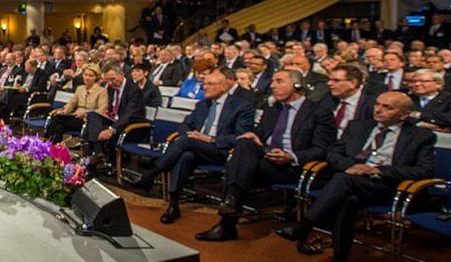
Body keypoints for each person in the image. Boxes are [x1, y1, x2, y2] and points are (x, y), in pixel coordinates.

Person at [275, 92, 436, 262]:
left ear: (404, 114)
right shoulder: (359, 126)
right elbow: (333, 152)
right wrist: (352, 167)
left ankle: (305, 226)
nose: (378, 109)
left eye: (387, 107)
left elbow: (424, 171)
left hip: (388, 187)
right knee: (347, 200)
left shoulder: (421, 136)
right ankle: (339, 260)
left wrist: (377, 170)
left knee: (343, 182)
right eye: (377, 104)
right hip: (351, 180)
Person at [196, 70, 335, 241]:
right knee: (244, 142)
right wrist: (253, 134)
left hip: (293, 166)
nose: (272, 86)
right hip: (267, 156)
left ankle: (228, 218)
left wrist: (291, 156)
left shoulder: (318, 111)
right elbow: (260, 132)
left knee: (241, 166)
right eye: (272, 81)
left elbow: (321, 149)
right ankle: (231, 206)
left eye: (279, 81)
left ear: (297, 85)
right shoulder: (273, 108)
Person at [133, 70, 255, 223]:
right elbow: (184, 125)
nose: (205, 87)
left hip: (223, 151)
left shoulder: (241, 106)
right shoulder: (202, 105)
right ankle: (173, 204)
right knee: (186, 156)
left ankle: (152, 173)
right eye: (204, 84)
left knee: (185, 143)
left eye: (210, 84)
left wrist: (210, 139)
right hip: (195, 147)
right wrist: (191, 134)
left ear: (224, 87)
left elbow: (241, 137)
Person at [44, 63, 104, 141]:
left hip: (87, 120)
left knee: (57, 119)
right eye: (85, 75)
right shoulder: (80, 88)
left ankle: (45, 141)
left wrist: (85, 113)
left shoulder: (101, 91)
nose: (87, 77)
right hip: (75, 116)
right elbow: (72, 103)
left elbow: (101, 110)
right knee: (59, 125)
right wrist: (65, 110)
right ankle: (53, 145)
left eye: (90, 76)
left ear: (96, 77)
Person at [320, 63, 376, 138]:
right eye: (329, 79)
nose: (329, 83)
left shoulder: (370, 105)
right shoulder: (327, 99)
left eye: (336, 80)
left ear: (353, 83)